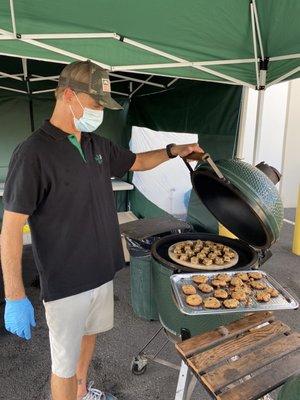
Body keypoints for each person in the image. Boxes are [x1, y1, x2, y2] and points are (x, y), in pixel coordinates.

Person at [0, 60, 204, 400]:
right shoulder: (33, 153)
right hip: (66, 282)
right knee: (62, 366)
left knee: (90, 335)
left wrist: (173, 151)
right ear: (69, 95)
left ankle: (82, 392)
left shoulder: (96, 144)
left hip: (101, 271)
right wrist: (15, 295)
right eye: (96, 104)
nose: (100, 113)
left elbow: (137, 161)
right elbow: (10, 230)